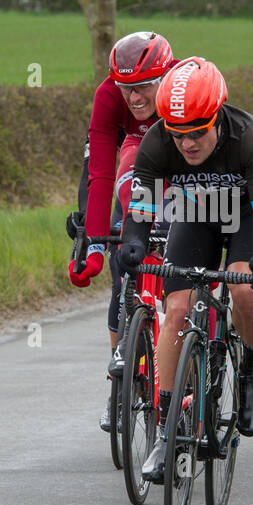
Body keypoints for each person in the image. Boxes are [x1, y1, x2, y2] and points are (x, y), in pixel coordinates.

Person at [116, 57, 253, 483]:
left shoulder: (250, 138)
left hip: (244, 218)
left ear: (217, 118)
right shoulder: (158, 141)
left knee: (244, 291)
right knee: (176, 310)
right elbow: (139, 215)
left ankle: (251, 366)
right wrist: (133, 244)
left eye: (197, 133)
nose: (187, 144)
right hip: (194, 217)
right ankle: (167, 430)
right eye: (178, 134)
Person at [68, 31, 177, 432]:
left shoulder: (185, 89)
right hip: (136, 164)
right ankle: (121, 384)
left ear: (166, 76)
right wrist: (93, 243)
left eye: (144, 86)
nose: (134, 97)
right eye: (126, 87)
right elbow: (97, 172)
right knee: (123, 264)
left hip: (183, 164)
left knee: (184, 262)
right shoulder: (109, 95)